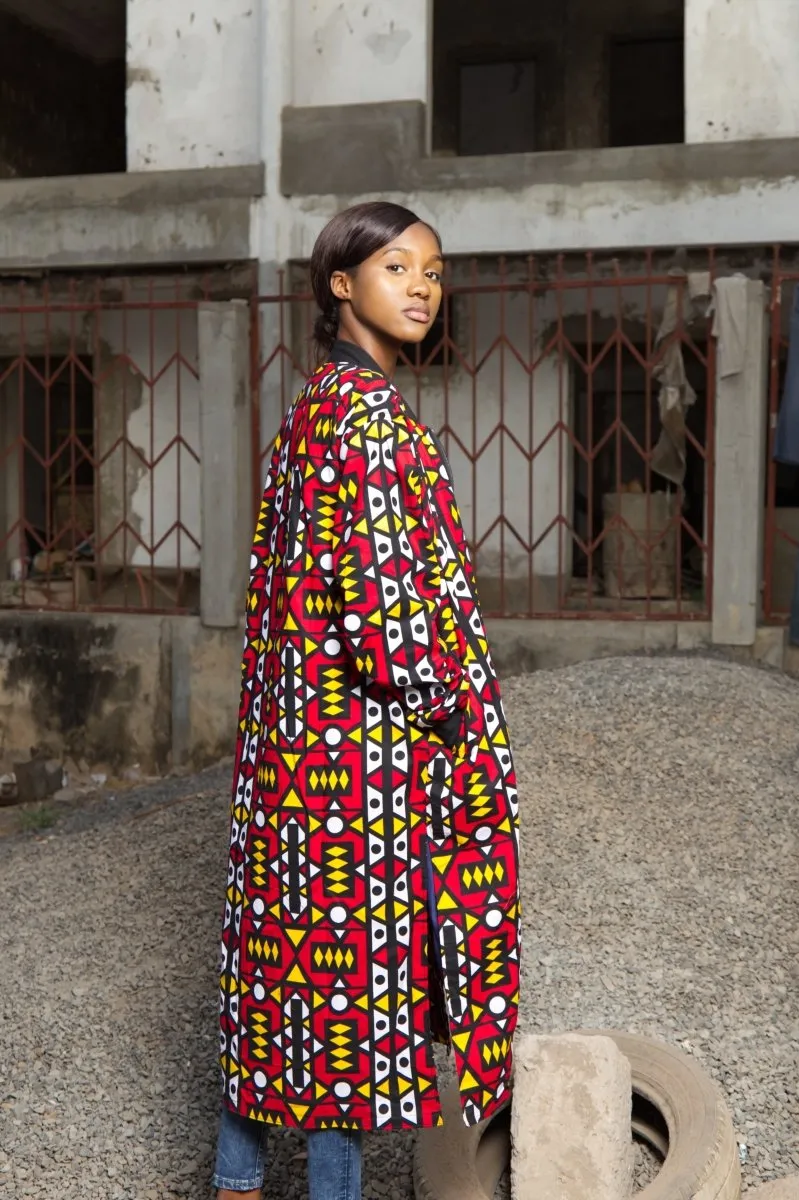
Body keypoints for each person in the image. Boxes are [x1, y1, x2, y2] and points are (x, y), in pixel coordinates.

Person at [213, 202, 521, 1200]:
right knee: (354, 1004)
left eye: (433, 270)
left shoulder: (312, 409)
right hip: (360, 769)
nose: (424, 287)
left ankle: (236, 1180)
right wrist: (456, 709)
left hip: (289, 760)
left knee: (280, 983)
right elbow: (386, 623)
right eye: (399, 268)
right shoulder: (376, 423)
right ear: (341, 285)